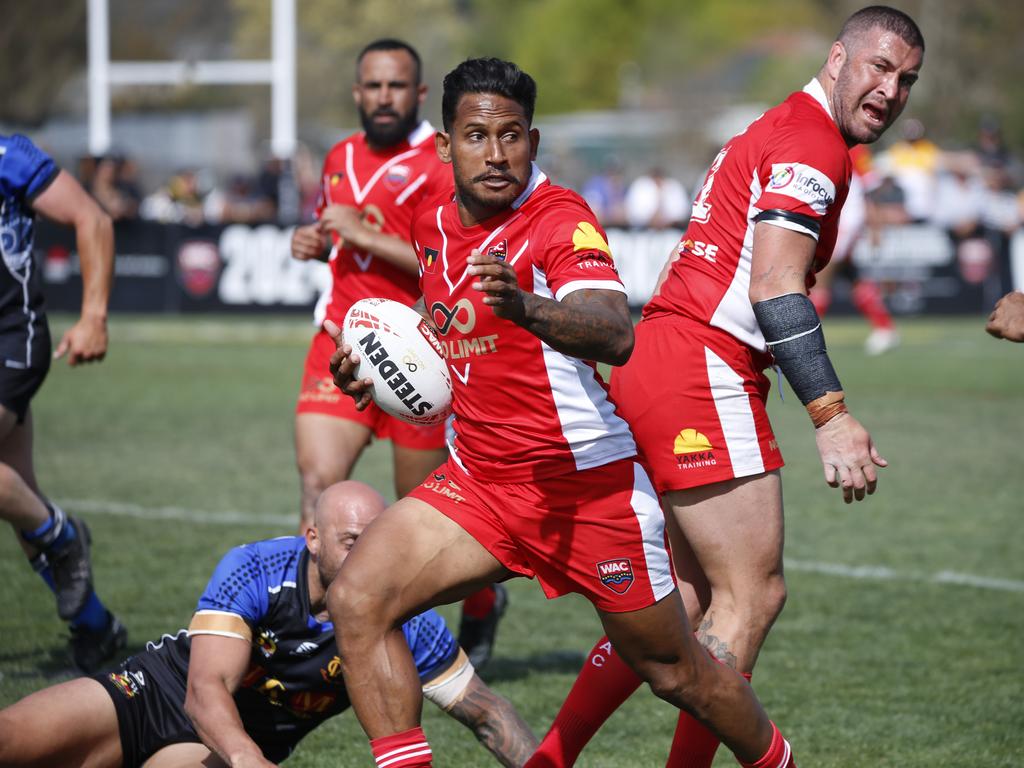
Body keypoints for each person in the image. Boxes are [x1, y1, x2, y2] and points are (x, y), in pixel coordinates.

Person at [324, 56, 798, 768]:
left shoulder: (558, 218)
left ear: (533, 143)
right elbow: (440, 323)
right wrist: (379, 371)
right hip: (481, 482)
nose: (497, 153)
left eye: (512, 135)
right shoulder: (429, 221)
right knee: (358, 600)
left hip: (586, 491)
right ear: (446, 146)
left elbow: (614, 330)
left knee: (676, 672)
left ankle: (779, 761)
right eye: (478, 136)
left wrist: (526, 306)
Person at [528, 7, 924, 767]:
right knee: (751, 595)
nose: (890, 90)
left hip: (665, 355)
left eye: (905, 79)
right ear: (838, 59)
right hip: (701, 366)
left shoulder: (779, 126)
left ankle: (549, 758)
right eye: (879, 68)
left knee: (686, 604)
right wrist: (831, 415)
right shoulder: (812, 143)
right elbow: (776, 288)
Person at [0, 480, 538, 768]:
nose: (366, 558)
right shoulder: (256, 568)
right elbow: (204, 690)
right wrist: (246, 759)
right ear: (313, 539)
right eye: (351, 543)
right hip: (152, 695)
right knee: (14, 741)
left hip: (216, 751)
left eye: (376, 543)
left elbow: (488, 715)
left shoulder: (405, 617)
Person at [289, 38, 507, 667]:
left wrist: (363, 232)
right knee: (318, 483)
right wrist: (317, 240)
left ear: (417, 95)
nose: (383, 97)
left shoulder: (443, 164)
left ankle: (480, 607)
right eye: (372, 86)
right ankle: (327, 636)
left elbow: (448, 260)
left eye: (396, 87)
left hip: (420, 355)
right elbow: (336, 235)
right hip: (340, 341)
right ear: (358, 93)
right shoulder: (338, 156)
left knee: (423, 514)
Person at [0, 132, 125, 672]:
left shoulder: (7, 155)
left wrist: (94, 315)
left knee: (21, 503)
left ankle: (64, 536)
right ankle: (96, 626)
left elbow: (92, 219)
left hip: (10, 339)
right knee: (14, 493)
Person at [809, 145, 901, 356]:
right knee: (853, 278)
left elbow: (871, 188)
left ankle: (806, 339)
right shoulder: (829, 140)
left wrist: (875, 225)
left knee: (821, 275)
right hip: (837, 218)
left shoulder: (856, 149)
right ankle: (884, 327)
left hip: (847, 220)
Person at [624, 165, 690, 230]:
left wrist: (666, 220)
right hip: (642, 230)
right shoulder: (640, 186)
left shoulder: (674, 187)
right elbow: (632, 212)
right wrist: (650, 218)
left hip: (672, 231)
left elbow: (683, 212)